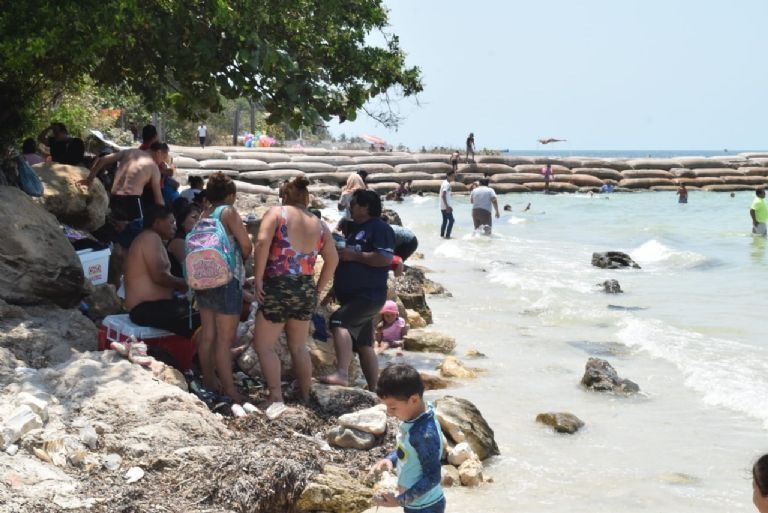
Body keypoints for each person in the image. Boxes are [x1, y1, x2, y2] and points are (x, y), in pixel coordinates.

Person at [252, 177, 338, 406]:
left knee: (263, 345)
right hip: (305, 287)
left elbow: (261, 243)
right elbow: (333, 260)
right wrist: (317, 289)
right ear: (306, 197)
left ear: (285, 196)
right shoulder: (320, 225)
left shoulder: (277, 213)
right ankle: (305, 395)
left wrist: (258, 278)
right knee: (299, 346)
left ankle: (276, 396)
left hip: (278, 286)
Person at [321, 189, 395, 390]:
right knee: (364, 344)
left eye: (353, 203)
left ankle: (342, 374)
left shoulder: (380, 228)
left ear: (365, 207)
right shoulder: (357, 229)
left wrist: (354, 256)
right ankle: (375, 389)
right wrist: (335, 289)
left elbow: (384, 258)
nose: (349, 207)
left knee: (338, 321)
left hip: (368, 295)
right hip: (356, 295)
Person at [195, 173, 253, 402]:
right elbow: (246, 244)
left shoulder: (204, 214)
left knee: (208, 335)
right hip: (227, 280)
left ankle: (209, 381)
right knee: (224, 340)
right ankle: (229, 389)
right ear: (230, 195)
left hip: (203, 279)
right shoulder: (228, 212)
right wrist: (243, 258)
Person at [370, 364, 445, 513]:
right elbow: (408, 450)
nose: (389, 413)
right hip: (415, 503)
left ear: (414, 400)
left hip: (426, 507)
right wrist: (390, 459)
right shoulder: (413, 419)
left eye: (393, 407)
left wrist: (399, 501)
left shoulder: (424, 434)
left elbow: (433, 477)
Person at [125, 205, 198, 337]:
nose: (175, 226)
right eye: (171, 222)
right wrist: (186, 284)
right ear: (157, 222)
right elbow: (159, 276)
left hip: (156, 306)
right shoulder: (150, 237)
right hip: (145, 308)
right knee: (200, 319)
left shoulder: (151, 239)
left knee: (203, 310)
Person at [82, 146, 164, 223]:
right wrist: (165, 216)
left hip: (114, 197)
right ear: (159, 153)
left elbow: (103, 159)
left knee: (113, 224)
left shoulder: (129, 152)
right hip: (132, 201)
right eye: (163, 157)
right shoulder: (153, 167)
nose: (162, 162)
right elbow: (159, 199)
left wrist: (89, 179)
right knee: (138, 226)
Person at [167, 199, 202, 278]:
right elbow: (190, 270)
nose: (199, 221)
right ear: (182, 222)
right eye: (194, 217)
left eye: (200, 218)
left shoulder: (193, 239)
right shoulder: (178, 241)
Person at [439, 171, 455, 239]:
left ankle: (442, 236)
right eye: (452, 176)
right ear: (448, 176)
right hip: (446, 207)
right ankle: (447, 236)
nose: (453, 177)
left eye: (454, 176)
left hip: (442, 206)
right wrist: (447, 206)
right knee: (451, 220)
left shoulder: (444, 182)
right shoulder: (447, 184)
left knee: (445, 221)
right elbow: (443, 195)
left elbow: (445, 195)